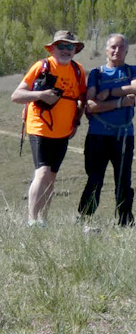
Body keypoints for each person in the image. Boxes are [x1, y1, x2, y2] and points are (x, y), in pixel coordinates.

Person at [11, 31, 87, 226]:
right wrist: (41, 94)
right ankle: (32, 221)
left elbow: (82, 100)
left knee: (51, 176)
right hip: (39, 127)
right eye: (61, 46)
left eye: (70, 46)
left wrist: (76, 123)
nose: (65, 50)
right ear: (52, 48)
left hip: (63, 132)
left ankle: (42, 220)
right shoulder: (42, 66)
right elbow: (16, 95)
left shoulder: (78, 71)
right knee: (43, 172)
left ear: (75, 50)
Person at [77, 33, 136, 226]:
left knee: (124, 180)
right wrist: (120, 101)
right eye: (113, 47)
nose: (117, 50)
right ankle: (85, 218)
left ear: (127, 51)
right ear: (106, 50)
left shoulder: (133, 70)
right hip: (97, 135)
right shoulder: (97, 74)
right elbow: (91, 105)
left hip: (124, 136)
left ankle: (125, 220)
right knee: (95, 179)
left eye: (121, 47)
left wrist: (109, 93)